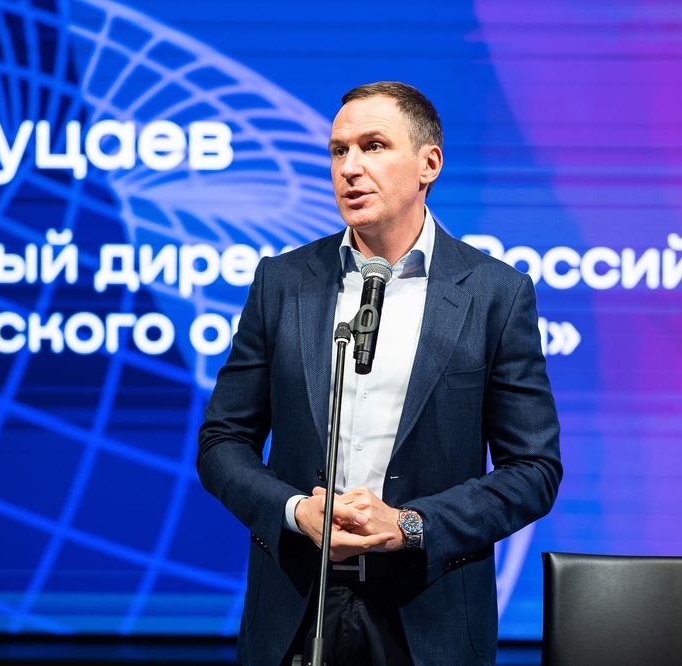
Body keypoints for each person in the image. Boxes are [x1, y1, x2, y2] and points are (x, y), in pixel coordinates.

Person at [197, 81, 562, 666]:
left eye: (373, 146)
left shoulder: (495, 293)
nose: (350, 168)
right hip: (296, 607)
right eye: (339, 151)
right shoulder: (282, 283)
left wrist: (411, 525)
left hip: (430, 616)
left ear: (428, 165)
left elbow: (533, 470)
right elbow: (222, 441)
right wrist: (295, 510)